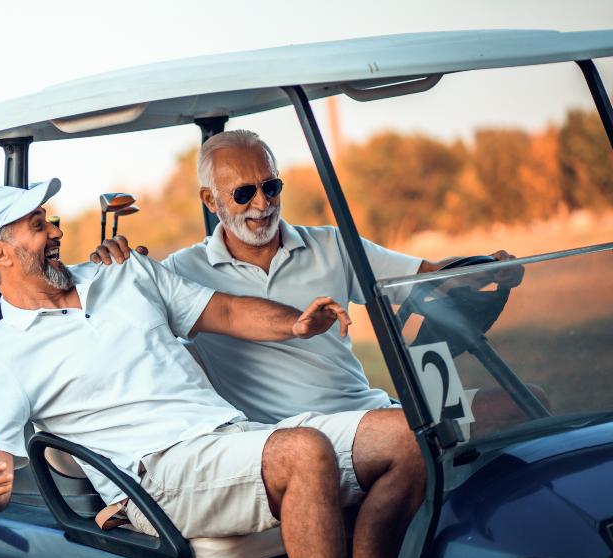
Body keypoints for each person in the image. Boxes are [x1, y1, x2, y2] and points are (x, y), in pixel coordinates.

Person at [0, 179, 424, 558]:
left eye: (51, 220)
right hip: (151, 478)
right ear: (1, 254)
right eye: (39, 226)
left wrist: (295, 324)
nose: (57, 231)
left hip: (230, 435)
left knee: (408, 436)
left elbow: (222, 310)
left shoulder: (123, 272)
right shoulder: (2, 354)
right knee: (303, 451)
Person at [89, 129, 530, 428]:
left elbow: (427, 276)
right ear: (210, 200)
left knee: (526, 403)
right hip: (292, 437)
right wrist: (115, 267)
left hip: (368, 411)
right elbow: (120, 325)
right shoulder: (183, 272)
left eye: (271, 186)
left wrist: (483, 269)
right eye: (243, 193)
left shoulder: (331, 245)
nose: (261, 203)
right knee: (414, 439)